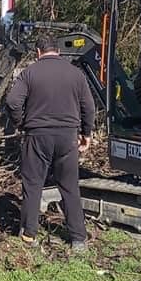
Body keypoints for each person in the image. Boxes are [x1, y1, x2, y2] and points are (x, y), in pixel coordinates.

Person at [5, 34, 96, 250]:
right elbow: (89, 107)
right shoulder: (75, 74)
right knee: (69, 186)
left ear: (38, 52)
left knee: (33, 185)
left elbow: (12, 101)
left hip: (37, 136)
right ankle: (78, 238)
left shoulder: (29, 73)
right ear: (58, 51)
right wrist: (86, 133)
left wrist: (20, 123)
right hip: (67, 137)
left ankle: (29, 234)